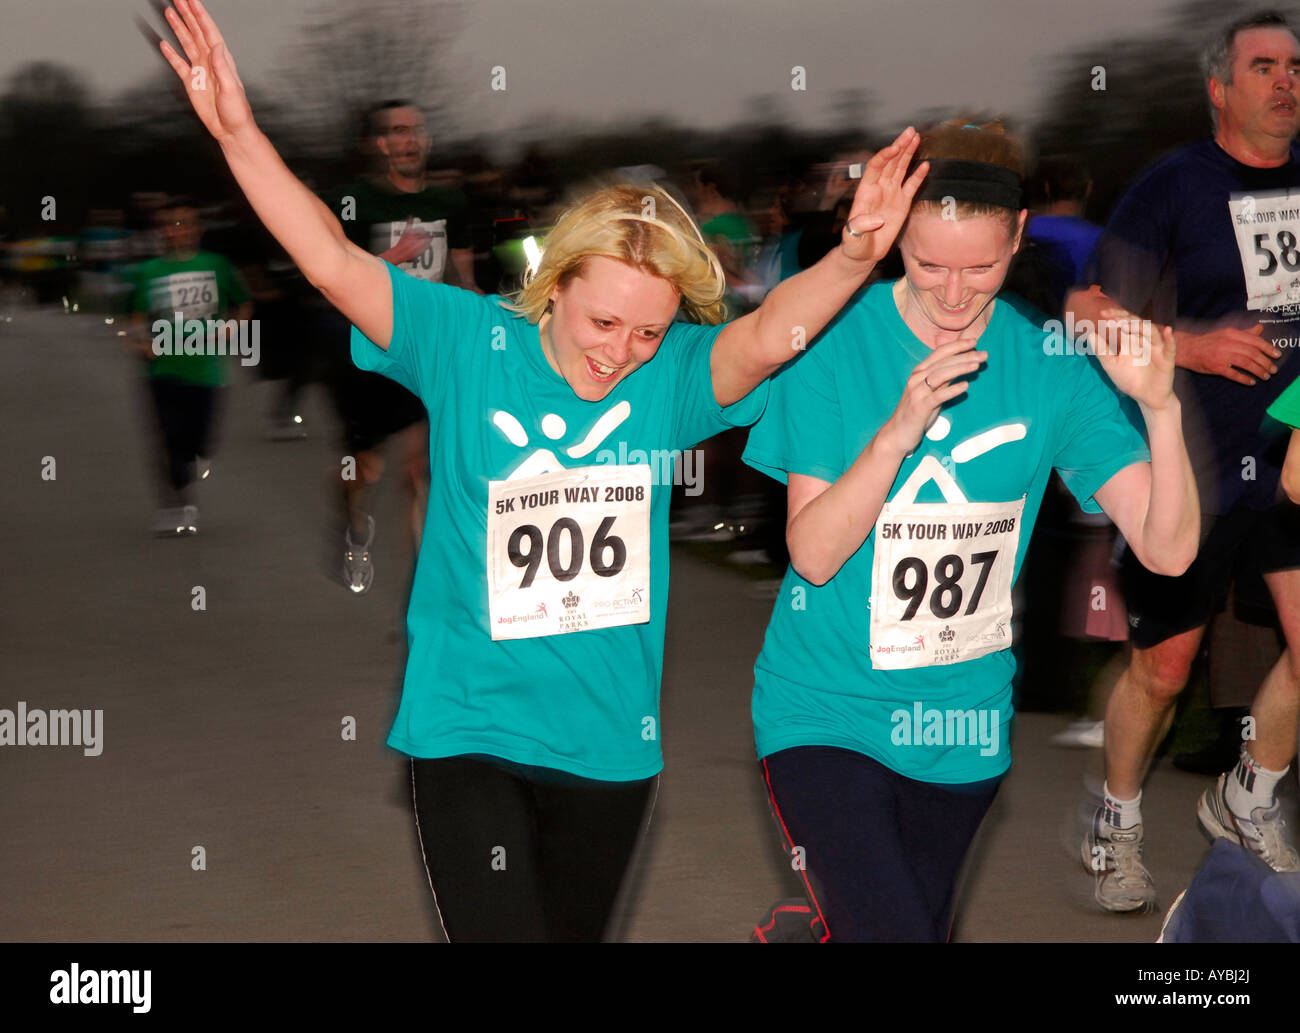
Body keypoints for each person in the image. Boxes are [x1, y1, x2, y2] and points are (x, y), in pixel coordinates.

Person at [155, 0, 929, 941]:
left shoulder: (675, 379)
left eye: (648, 331)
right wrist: (239, 134)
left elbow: (770, 334)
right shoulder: (467, 341)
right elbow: (327, 257)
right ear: (556, 286)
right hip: (468, 729)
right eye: (604, 322)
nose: (622, 352)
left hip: (610, 747)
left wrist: (853, 256)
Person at [742, 119, 1199, 942]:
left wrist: (1163, 409)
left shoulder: (1050, 365)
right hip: (824, 711)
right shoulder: (833, 348)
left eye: (982, 267)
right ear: (895, 242)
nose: (954, 294)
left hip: (963, 729)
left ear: (1019, 237)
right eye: (929, 264)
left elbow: (1168, 551)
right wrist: (896, 433)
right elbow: (812, 552)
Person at [1070, 10, 1300, 913]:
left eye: (1295, 66)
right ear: (1220, 87)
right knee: (1164, 669)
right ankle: (1115, 823)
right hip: (1194, 462)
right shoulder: (1174, 184)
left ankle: (1247, 796)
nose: (1287, 82)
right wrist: (1190, 348)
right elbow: (1087, 309)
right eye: (1265, 67)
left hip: (1291, 454)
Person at [324, 100, 479, 593]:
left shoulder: (451, 202)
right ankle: (353, 526)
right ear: (381, 144)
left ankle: (429, 585)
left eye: (416, 130)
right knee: (362, 470)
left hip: (427, 351)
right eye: (397, 131)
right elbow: (332, 272)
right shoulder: (355, 201)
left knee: (421, 470)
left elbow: (461, 275)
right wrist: (392, 257)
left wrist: (485, 310)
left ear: (426, 139)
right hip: (368, 352)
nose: (409, 139)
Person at [130, 199, 252, 535]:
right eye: (171, 224)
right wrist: (141, 341)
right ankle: (176, 504)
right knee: (169, 437)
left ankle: (191, 467)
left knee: (201, 443)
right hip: (163, 370)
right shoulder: (149, 271)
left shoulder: (218, 266)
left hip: (207, 372)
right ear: (162, 232)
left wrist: (236, 327)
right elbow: (136, 317)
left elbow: (243, 303)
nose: (178, 230)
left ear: (198, 230)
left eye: (186, 223)